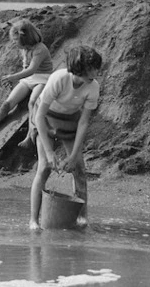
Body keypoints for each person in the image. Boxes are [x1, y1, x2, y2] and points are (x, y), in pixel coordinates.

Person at [29, 45, 102, 230]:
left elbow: (83, 122)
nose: (94, 73)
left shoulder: (93, 87)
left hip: (70, 121)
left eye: (96, 69)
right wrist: (49, 152)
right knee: (44, 167)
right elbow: (39, 116)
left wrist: (73, 156)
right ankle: (34, 220)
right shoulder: (59, 78)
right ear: (78, 69)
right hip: (45, 118)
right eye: (90, 70)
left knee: (79, 168)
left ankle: (82, 217)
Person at [0, 20, 53, 150]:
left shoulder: (40, 49)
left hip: (43, 78)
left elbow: (32, 69)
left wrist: (13, 77)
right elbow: (25, 69)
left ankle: (29, 136)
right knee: (8, 103)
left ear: (24, 39)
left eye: (16, 40)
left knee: (32, 103)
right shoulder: (25, 49)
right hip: (28, 79)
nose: (14, 43)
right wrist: (16, 80)